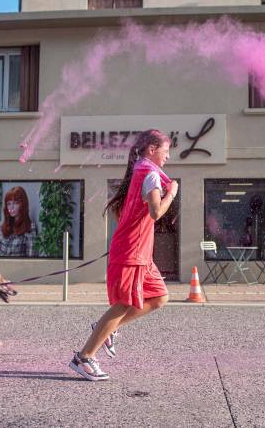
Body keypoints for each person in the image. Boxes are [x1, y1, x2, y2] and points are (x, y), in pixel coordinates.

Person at [69, 129, 179, 381]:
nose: (168, 156)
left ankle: (105, 330)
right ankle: (83, 357)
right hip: (131, 252)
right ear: (152, 150)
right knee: (123, 305)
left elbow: (125, 211)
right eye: (166, 151)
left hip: (139, 251)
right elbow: (155, 213)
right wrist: (171, 192)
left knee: (160, 297)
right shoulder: (150, 174)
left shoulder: (139, 171)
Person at [0, 186, 36, 257]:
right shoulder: (2, 227)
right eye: (9, 204)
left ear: (22, 204)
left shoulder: (29, 227)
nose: (11, 207)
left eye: (15, 203)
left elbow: (31, 257)